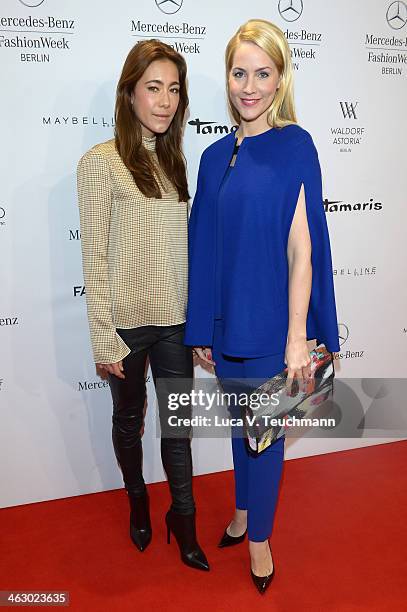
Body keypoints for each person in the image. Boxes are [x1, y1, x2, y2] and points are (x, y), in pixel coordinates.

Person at [185, 19, 340, 593]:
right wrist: (201, 322)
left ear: (280, 80)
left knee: (265, 432)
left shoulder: (295, 145)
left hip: (274, 323)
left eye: (262, 74)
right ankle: (245, 511)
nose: (248, 86)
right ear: (227, 77)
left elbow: (304, 248)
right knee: (238, 425)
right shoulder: (211, 155)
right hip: (225, 321)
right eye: (238, 72)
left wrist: (297, 335)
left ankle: (259, 541)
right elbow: (203, 242)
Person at [77, 40, 209, 571]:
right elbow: (93, 257)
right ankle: (138, 500)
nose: (164, 100)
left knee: (178, 427)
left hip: (175, 322)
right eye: (153, 87)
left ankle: (185, 517)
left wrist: (199, 323)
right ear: (129, 93)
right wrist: (102, 334)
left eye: (173, 89)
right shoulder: (99, 164)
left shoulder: (176, 161)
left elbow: (183, 253)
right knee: (128, 421)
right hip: (126, 327)